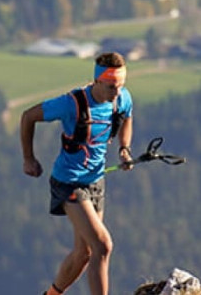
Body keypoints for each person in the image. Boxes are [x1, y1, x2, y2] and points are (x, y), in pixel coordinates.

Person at [20, 52, 135, 295]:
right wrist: (28, 159)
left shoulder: (122, 99)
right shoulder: (71, 103)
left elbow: (127, 118)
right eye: (112, 86)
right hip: (68, 183)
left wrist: (124, 149)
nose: (117, 92)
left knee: (85, 253)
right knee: (103, 246)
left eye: (121, 85)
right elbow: (28, 117)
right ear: (98, 81)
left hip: (96, 181)